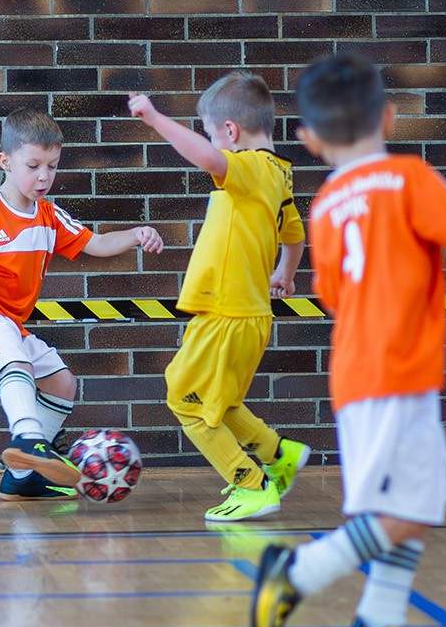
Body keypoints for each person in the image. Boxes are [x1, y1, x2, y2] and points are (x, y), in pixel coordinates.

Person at [249, 52, 446, 627]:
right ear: (388, 117)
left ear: (308, 139)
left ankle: (378, 624)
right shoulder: (408, 177)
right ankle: (298, 572)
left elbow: (334, 294)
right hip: (398, 371)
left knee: (411, 503)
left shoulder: (327, 204)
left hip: (358, 371)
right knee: (413, 509)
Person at [0, 107, 163, 501]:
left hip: (7, 323)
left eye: (52, 166)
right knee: (16, 365)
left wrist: (137, 234)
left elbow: (97, 243)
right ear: (5, 161)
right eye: (33, 165)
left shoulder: (50, 217)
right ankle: (29, 439)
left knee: (61, 382)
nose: (44, 176)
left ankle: (22, 477)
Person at [127, 72, 311, 522]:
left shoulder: (249, 166)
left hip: (227, 311)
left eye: (211, 133)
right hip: (248, 314)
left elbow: (210, 158)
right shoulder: (280, 174)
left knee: (185, 397)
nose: (212, 145)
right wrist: (285, 274)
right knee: (217, 400)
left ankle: (250, 485)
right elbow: (294, 235)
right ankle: (278, 453)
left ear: (230, 131)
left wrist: (154, 118)